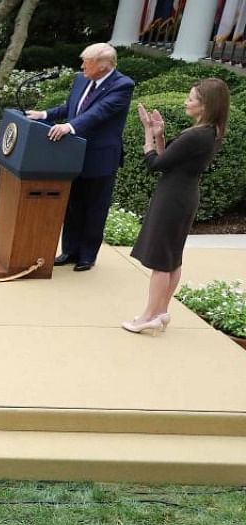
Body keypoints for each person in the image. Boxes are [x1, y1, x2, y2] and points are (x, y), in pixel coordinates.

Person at [124, 80, 230, 334]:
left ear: (206, 105)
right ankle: (160, 311)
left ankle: (149, 315)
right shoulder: (210, 132)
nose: (186, 101)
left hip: (173, 198)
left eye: (192, 98)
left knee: (161, 260)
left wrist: (148, 132)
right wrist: (160, 135)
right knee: (172, 258)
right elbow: (169, 160)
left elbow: (155, 164)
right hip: (183, 195)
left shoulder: (195, 135)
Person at [26, 43, 135, 272]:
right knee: (72, 204)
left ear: (104, 67)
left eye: (88, 62)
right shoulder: (81, 79)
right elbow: (72, 106)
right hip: (71, 155)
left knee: (94, 207)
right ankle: (70, 250)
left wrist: (70, 127)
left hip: (100, 157)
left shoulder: (122, 85)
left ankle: (87, 255)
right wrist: (44, 114)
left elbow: (99, 113)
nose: (82, 65)